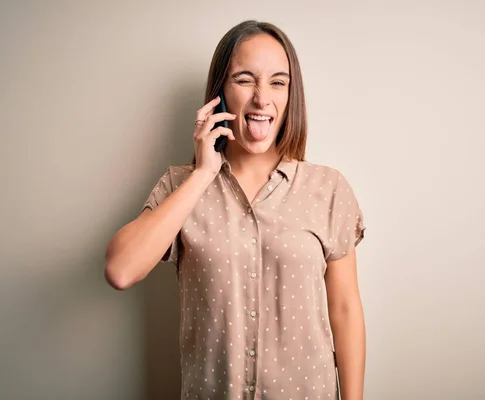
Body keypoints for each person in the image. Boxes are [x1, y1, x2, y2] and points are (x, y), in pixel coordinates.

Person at [105, 20, 366, 400]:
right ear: (220, 94)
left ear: (292, 96)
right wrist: (203, 174)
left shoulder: (328, 188)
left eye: (278, 82)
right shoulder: (180, 186)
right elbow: (120, 270)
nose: (262, 98)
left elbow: (344, 310)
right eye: (245, 79)